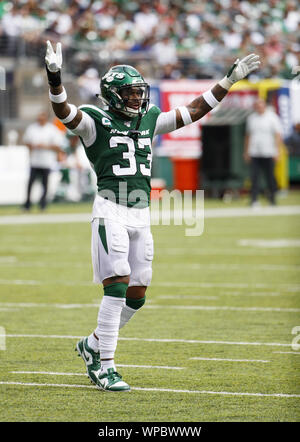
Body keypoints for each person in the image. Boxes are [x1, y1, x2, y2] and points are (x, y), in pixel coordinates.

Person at [45, 41, 260, 391]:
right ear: (113, 96)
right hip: (111, 209)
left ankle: (93, 344)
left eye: (137, 92)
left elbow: (192, 110)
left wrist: (228, 81)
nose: (136, 99)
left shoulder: (147, 120)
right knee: (115, 287)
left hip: (141, 213)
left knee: (137, 293)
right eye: (129, 93)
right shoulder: (95, 121)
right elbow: (63, 111)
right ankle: (105, 366)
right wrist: (55, 77)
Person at [243, 98, 282, 207]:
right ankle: (254, 200)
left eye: (261, 105)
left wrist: (277, 152)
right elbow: (248, 136)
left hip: (269, 152)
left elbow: (278, 135)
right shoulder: (251, 118)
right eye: (257, 106)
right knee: (254, 177)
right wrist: (246, 152)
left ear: (264, 106)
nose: (259, 108)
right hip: (254, 152)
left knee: (270, 177)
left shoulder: (272, 117)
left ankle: (272, 200)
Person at [23, 110, 63, 211]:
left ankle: (43, 204)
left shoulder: (52, 129)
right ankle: (27, 204)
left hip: (46, 162)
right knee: (30, 183)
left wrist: (44, 146)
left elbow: (58, 146)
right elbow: (26, 142)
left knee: (45, 184)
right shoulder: (32, 128)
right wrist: (33, 146)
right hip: (34, 161)